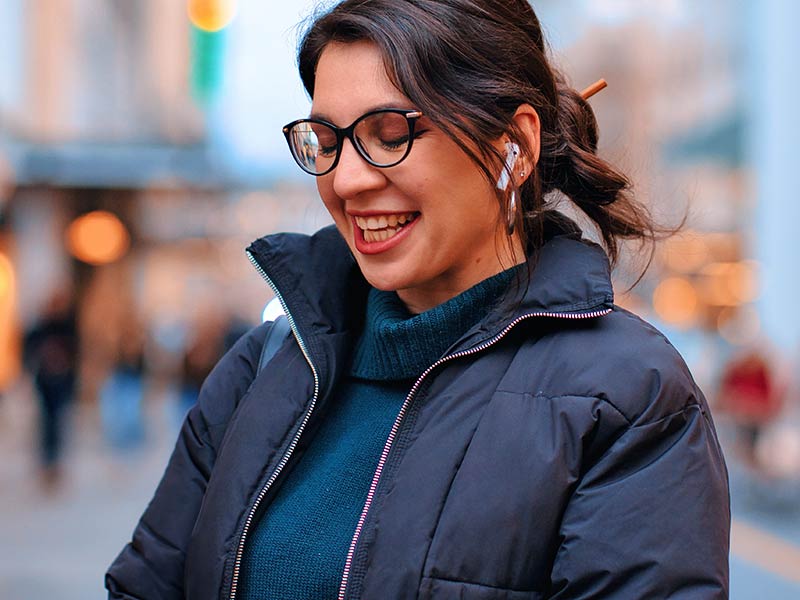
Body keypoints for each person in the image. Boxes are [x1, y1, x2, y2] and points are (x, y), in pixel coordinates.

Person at [106, 1, 730, 598]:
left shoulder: (629, 396)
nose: (346, 180)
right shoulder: (266, 364)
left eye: (390, 133)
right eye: (327, 139)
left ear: (512, 147)